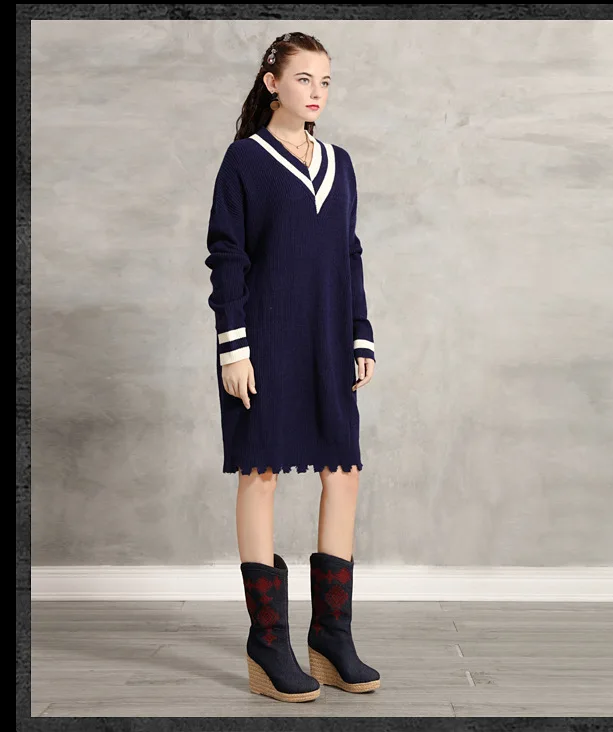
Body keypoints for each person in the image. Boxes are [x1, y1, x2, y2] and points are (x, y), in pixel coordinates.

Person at [205, 32, 380, 703]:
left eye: (326, 81)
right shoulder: (244, 161)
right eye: (304, 78)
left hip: (328, 342)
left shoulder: (340, 163)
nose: (317, 92)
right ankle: (268, 641)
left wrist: (360, 336)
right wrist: (234, 347)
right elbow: (227, 256)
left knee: (345, 473)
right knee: (261, 472)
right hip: (264, 343)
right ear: (272, 82)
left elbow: (349, 254)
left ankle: (331, 638)